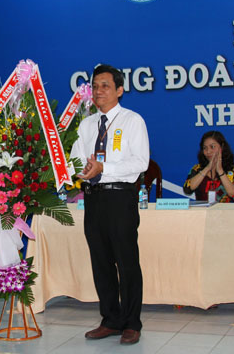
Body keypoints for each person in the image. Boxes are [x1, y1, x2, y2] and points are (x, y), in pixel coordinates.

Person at [70, 64, 149, 345]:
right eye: (95, 86)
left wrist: (104, 168)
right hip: (93, 198)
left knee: (126, 262)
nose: (98, 91)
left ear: (120, 90)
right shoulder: (86, 124)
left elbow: (141, 162)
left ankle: (132, 322)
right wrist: (80, 170)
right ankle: (111, 320)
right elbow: (76, 159)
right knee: (101, 261)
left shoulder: (132, 121)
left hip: (120, 197)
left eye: (105, 85)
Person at [183, 131, 234, 202]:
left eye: (212, 147)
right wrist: (207, 168)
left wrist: (220, 171)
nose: (208, 151)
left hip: (225, 209)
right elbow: (187, 190)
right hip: (202, 209)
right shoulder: (197, 169)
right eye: (205, 148)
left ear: (222, 147)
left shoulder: (233, 170)